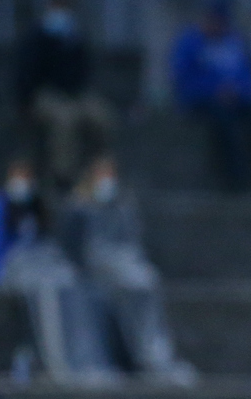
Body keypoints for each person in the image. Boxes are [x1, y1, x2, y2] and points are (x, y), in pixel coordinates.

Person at [0, 159, 117, 385]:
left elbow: (47, 243)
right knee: (49, 291)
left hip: (42, 266)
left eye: (27, 177)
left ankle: (88, 359)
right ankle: (60, 361)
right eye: (19, 177)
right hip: (16, 270)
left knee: (73, 284)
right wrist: (0, 274)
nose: (23, 183)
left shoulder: (37, 206)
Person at [62, 157, 197, 385]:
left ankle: (153, 352)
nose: (107, 181)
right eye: (102, 175)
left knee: (145, 281)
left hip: (125, 267)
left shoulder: (123, 205)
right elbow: (75, 248)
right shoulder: (79, 208)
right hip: (94, 270)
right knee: (128, 285)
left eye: (110, 174)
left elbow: (131, 240)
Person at [171, 0, 251, 192]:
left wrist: (238, 91)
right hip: (203, 100)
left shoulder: (235, 42)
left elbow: (250, 75)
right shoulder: (189, 43)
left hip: (237, 99)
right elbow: (183, 78)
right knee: (224, 124)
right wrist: (214, 90)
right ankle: (235, 180)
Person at [14, 0, 115, 190]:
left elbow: (83, 70)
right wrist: (25, 103)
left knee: (102, 115)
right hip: (46, 94)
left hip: (75, 94)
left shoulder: (74, 38)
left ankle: (101, 168)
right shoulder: (36, 37)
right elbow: (26, 75)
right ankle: (64, 176)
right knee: (65, 120)